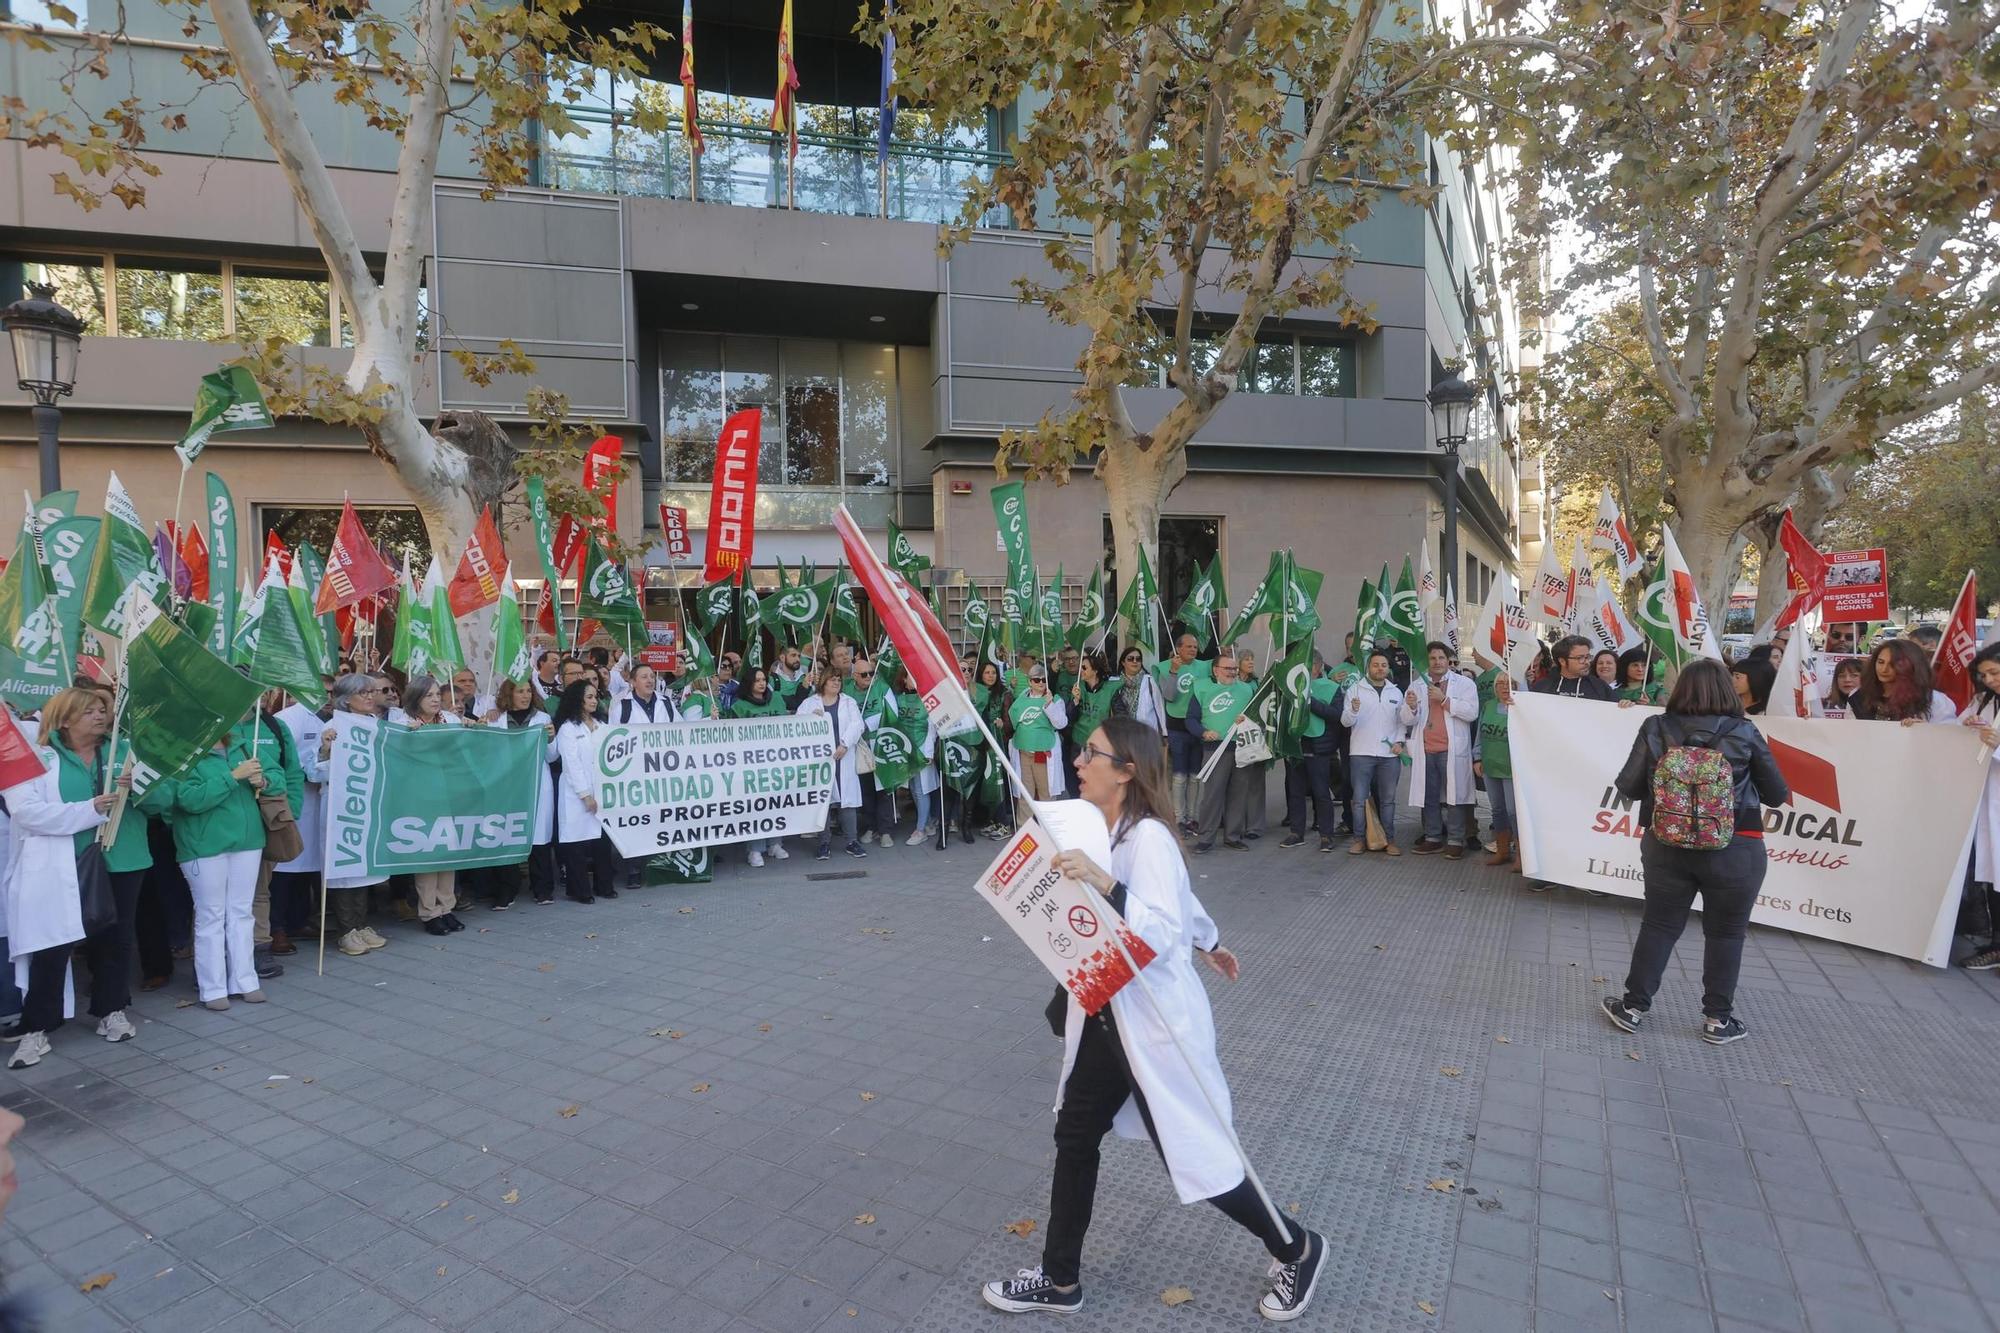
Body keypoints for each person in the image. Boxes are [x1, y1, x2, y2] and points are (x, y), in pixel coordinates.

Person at [982, 717, 1324, 1320]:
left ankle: (1296, 1248)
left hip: (1150, 1022)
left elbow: (1159, 925)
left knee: (1193, 1149)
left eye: (1092, 754)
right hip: (1107, 1010)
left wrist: (1108, 886)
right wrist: (1210, 939)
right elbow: (1181, 908)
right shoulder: (1107, 830)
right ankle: (1060, 1281)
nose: (1079, 762)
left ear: (1127, 771)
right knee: (1076, 1133)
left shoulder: (1149, 840)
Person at [1601, 659, 1788, 1045]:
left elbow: (1630, 786)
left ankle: (1633, 1008)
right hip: (1736, 848)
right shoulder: (1745, 731)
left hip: (1666, 846)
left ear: (1681, 689)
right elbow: (1776, 795)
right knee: (1727, 934)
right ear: (1726, 689)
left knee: (1659, 925)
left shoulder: (1656, 727)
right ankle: (1718, 1021)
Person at [1, 689, 165, 1067]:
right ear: (64, 720)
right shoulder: (38, 758)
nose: (100, 716)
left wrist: (142, 788)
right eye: (89, 711)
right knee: (52, 944)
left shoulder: (124, 751)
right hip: (60, 865)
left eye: (102, 709)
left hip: (123, 857)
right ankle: (37, 1027)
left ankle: (111, 1009)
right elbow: (26, 812)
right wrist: (89, 810)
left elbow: (161, 799)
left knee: (115, 938)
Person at [168, 710, 271, 1011]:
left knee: (241, 912)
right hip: (204, 846)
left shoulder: (241, 744)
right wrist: (232, 777)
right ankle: (212, 987)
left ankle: (245, 980)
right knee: (211, 915)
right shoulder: (181, 752)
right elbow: (188, 799)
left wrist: (262, 781)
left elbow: (275, 777)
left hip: (248, 841)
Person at [318, 675, 392, 957]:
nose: (371, 697)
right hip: (341, 806)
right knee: (344, 867)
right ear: (347, 698)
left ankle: (361, 925)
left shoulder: (377, 726)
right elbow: (314, 772)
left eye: (372, 692)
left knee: (363, 867)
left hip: (368, 804)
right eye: (364, 693)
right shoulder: (333, 727)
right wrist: (326, 750)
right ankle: (345, 930)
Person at [395, 676, 469, 933]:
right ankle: (429, 912)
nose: (437, 699)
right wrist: (408, 738)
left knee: (447, 852)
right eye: (429, 695)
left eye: (438, 694)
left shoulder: (450, 720)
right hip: (419, 796)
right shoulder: (403, 724)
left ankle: (447, 907)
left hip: (447, 793)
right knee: (428, 853)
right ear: (416, 699)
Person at [244, 690, 304, 977]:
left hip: (268, 819)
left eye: (260, 691)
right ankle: (222, 955)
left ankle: (259, 948)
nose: (257, 697)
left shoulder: (275, 727)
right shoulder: (216, 726)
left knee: (259, 889)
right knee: (219, 899)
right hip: (225, 822)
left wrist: (291, 811)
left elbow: (291, 772)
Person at [1404, 643, 1479, 859]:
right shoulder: (1417, 685)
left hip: (1451, 749)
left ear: (1448, 660)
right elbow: (1406, 719)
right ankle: (1433, 837)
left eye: (1441, 658)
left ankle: (1455, 839)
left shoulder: (1464, 684)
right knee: (1429, 796)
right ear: (1427, 661)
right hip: (1426, 749)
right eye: (1432, 658)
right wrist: (1411, 707)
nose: (1437, 662)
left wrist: (1444, 699)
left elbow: (1471, 712)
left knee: (1454, 797)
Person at [488, 679, 558, 908]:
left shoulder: (543, 719)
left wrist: (550, 739)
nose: (526, 695)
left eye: (529, 690)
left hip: (537, 783)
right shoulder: (496, 719)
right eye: (520, 691)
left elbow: (552, 757)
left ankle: (543, 888)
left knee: (540, 838)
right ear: (510, 694)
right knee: (508, 834)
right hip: (508, 785)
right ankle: (507, 889)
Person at [272, 688, 331, 954]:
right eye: (323, 691)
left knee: (307, 867)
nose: (328, 695)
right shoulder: (289, 717)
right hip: (294, 800)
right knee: (285, 869)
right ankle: (277, 928)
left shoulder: (326, 719)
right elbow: (284, 760)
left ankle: (298, 920)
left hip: (316, 801)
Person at [553, 679, 622, 903]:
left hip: (602, 791)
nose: (594, 700)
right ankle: (578, 889)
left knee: (602, 842)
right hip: (576, 795)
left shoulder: (601, 725)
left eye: (595, 696)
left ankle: (604, 885)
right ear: (578, 700)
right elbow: (571, 764)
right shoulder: (567, 728)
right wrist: (585, 794)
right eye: (589, 697)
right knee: (576, 844)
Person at [1956, 644, 2000, 970]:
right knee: (1992, 874)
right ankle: (1996, 943)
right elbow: (1956, 732)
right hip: (1986, 799)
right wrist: (1967, 728)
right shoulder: (1985, 700)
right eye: (1984, 675)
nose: (1989, 680)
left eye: (1994, 673)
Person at [1341, 648, 1409, 855]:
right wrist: (1353, 709)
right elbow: (1345, 722)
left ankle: (1390, 839)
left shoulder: (1395, 692)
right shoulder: (1355, 690)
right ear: (1368, 667)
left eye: (1383, 665)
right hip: (1361, 753)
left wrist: (1399, 741)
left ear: (1388, 669)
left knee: (1388, 800)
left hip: (1389, 755)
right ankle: (1359, 839)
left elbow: (1401, 722)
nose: (1379, 668)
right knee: (1360, 799)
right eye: (1375, 665)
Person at [799, 673, 868, 859]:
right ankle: (824, 843)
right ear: (823, 682)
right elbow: (797, 726)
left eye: (839, 681)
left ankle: (852, 841)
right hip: (821, 760)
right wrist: (811, 718)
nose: (836, 683)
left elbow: (857, 724)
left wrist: (845, 744)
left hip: (843, 756)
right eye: (832, 680)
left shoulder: (848, 702)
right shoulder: (810, 703)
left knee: (847, 801)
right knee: (823, 802)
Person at [1189, 654, 1253, 852]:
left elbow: (1258, 714)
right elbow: (1190, 718)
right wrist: (1203, 732)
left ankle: (1233, 835)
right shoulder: (1201, 688)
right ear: (1216, 669)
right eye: (1228, 669)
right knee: (1212, 795)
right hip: (1214, 747)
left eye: (1234, 669)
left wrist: (1249, 721)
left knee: (1238, 793)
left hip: (1241, 747)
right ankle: (1206, 838)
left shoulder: (1246, 689)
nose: (1232, 672)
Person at [729, 668, 793, 866]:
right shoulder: (739, 706)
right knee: (756, 807)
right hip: (751, 765)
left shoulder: (778, 699)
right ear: (749, 683)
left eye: (764, 679)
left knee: (775, 803)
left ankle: (775, 843)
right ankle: (755, 849)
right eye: (757, 680)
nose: (762, 683)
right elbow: (731, 736)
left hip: (776, 762)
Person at [1280, 652, 1343, 852]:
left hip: (1320, 747)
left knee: (1321, 792)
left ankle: (1326, 835)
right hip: (1296, 744)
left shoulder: (1332, 687)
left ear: (1319, 666)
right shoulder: (1290, 687)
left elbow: (1336, 715)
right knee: (1296, 791)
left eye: (1309, 666)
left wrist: (1310, 701)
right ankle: (1296, 832)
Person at [1154, 634, 1213, 831]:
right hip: (1176, 727)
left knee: (1196, 775)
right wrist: (1173, 671)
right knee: (1179, 776)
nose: (1193, 650)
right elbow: (1169, 696)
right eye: (1188, 646)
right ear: (1178, 648)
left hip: (1198, 726)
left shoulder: (1204, 666)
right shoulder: (1163, 667)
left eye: (1195, 647)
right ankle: (1179, 818)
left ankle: (1193, 817)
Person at [1008, 665, 1070, 823]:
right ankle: (1024, 830)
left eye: (1044, 679)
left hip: (1043, 754)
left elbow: (1061, 723)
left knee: (1046, 795)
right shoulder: (1021, 698)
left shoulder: (1055, 699)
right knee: (1024, 795)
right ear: (1030, 681)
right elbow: (1014, 719)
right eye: (1037, 679)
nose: (1041, 682)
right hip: (1023, 752)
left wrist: (1049, 705)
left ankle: (1049, 832)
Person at [1847, 639, 1957, 724]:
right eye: (1880, 662)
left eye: (1893, 664)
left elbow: (1950, 736)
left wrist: (1927, 731)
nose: (1884, 669)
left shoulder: (1933, 700)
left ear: (1911, 666)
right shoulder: (1858, 696)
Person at [1474, 670, 1519, 869]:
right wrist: (1477, 757)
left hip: (1511, 768)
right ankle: (1502, 851)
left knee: (1512, 811)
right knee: (1498, 810)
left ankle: (1521, 853)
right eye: (1500, 683)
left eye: (1508, 683)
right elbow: (1479, 734)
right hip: (1490, 765)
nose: (1504, 687)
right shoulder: (1488, 706)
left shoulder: (1521, 708)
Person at [974, 660, 1015, 838]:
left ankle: (1005, 823)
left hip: (998, 745)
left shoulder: (1005, 694)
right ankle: (993, 820)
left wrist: (1002, 724)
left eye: (993, 672)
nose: (991, 676)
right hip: (980, 745)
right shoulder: (976, 693)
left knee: (998, 783)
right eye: (987, 673)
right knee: (986, 784)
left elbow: (1011, 723)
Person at [1531, 635, 1618, 701]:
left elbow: (1615, 712)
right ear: (1562, 661)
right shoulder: (1542, 686)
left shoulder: (1600, 687)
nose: (1587, 662)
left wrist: (1626, 705)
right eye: (1580, 658)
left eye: (1587, 657)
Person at [1108, 645, 1167, 734]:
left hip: (1146, 733)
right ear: (1123, 662)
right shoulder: (1113, 682)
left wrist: (1164, 734)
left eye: (1138, 659)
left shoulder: (1149, 681)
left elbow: (1159, 708)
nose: (1135, 661)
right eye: (1130, 659)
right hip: (1120, 733)